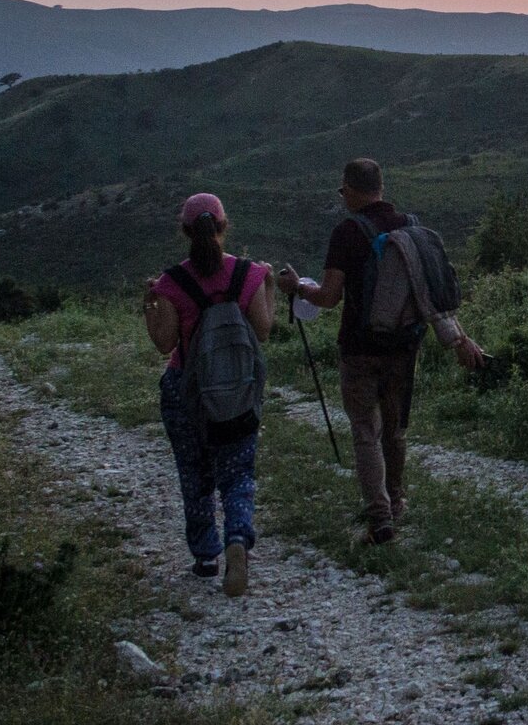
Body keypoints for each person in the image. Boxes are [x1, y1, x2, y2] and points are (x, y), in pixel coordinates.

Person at [276, 158, 482, 544]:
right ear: (381, 188)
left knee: (364, 431)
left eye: (343, 191)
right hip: (404, 345)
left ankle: (380, 518)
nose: (342, 198)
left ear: (352, 190)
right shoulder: (411, 227)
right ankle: (398, 500)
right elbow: (429, 291)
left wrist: (297, 288)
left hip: (358, 347)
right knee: (395, 429)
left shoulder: (347, 232)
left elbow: (329, 297)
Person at [141, 192, 274, 596]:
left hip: (186, 389)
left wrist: (150, 303)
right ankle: (237, 537)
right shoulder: (246, 275)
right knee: (238, 473)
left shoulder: (171, 283)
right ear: (224, 226)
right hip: (237, 388)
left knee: (194, 473)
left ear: (185, 232)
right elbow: (263, 332)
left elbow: (165, 344)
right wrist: (269, 287)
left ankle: (205, 557)